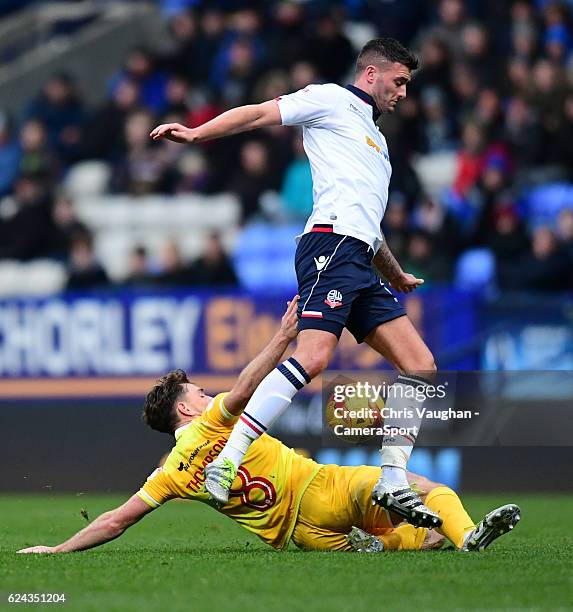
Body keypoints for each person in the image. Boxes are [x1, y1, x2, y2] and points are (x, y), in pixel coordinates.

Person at [150, 38, 442, 527]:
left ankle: (393, 479)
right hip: (330, 246)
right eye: (399, 82)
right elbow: (259, 113)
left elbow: (367, 221)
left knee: (422, 365)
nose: (403, 93)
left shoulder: (378, 142)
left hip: (360, 256)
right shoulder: (330, 99)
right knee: (312, 357)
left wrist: (395, 273)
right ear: (371, 74)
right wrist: (198, 135)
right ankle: (228, 458)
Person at [17, 297, 520, 555]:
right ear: (187, 411)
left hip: (301, 538)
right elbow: (243, 387)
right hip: (319, 488)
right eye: (199, 393)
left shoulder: (168, 473)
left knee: (413, 542)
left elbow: (114, 521)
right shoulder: (210, 425)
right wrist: (283, 337)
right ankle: (468, 535)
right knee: (430, 492)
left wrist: (57, 549)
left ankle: (409, 543)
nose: (208, 396)